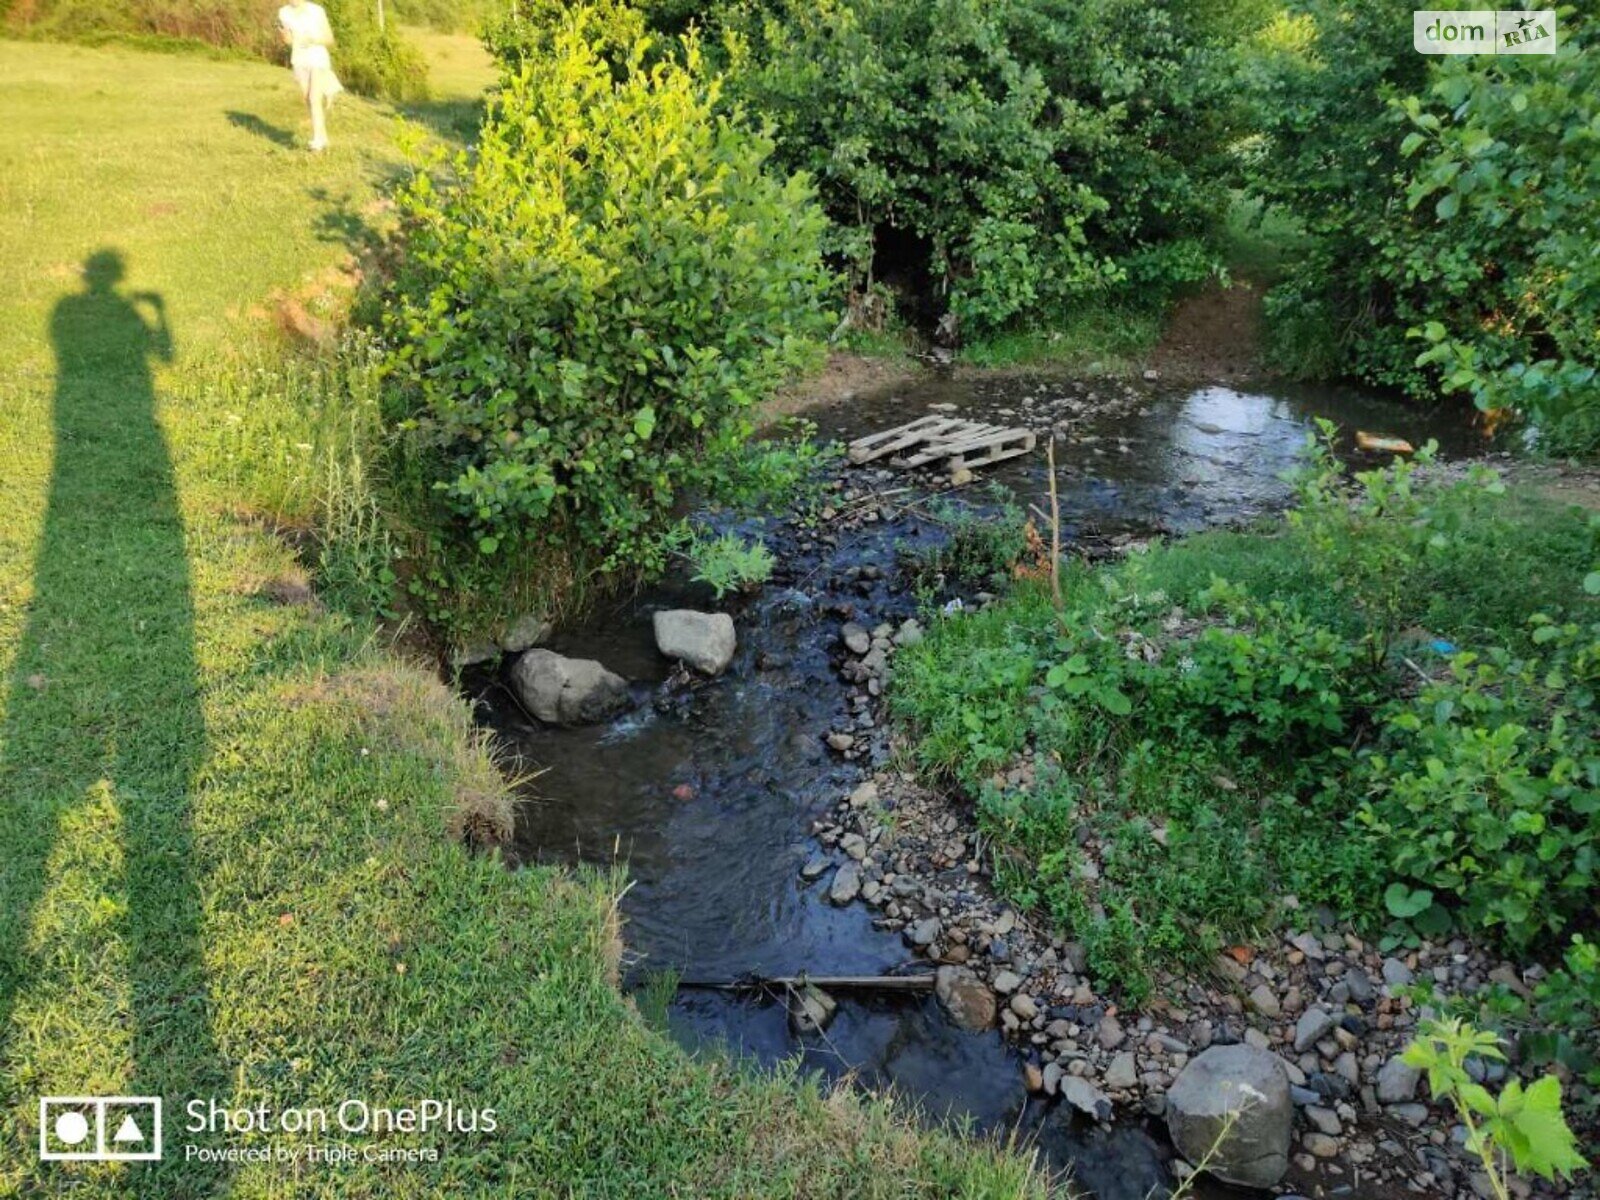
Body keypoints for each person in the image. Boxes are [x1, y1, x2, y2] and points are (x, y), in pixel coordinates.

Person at [278, 0, 343, 152]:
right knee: (308, 98)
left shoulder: (317, 11)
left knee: (314, 98)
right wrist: (283, 35)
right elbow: (288, 42)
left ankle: (317, 141)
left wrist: (313, 40)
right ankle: (323, 136)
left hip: (317, 57)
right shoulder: (283, 12)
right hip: (299, 59)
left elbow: (330, 39)